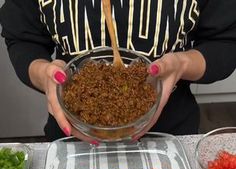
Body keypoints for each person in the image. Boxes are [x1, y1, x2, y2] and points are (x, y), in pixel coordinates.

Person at [0, 0, 236, 142]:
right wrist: (45, 74)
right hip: (74, 133)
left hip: (168, 137)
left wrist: (182, 63)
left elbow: (225, 42)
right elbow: (22, 38)